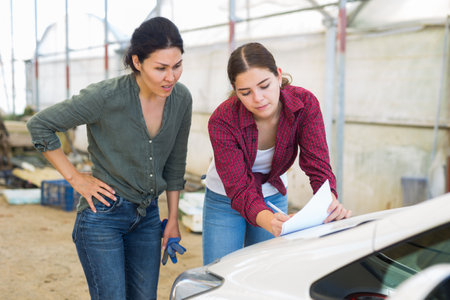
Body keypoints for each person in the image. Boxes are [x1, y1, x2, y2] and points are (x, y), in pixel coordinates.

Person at [27, 17, 192, 300]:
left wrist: (173, 218)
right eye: (161, 68)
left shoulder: (181, 99)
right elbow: (40, 126)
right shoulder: (106, 97)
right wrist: (76, 179)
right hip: (103, 217)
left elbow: (176, 163)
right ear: (137, 62)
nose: (171, 77)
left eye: (177, 66)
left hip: (148, 218)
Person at [202, 42, 351, 265]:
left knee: (267, 268)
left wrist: (328, 203)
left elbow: (318, 165)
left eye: (265, 86)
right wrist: (272, 222)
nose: (258, 98)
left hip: (272, 194)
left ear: (279, 76)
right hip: (225, 197)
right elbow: (240, 189)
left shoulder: (305, 104)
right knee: (220, 269)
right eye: (245, 92)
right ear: (235, 91)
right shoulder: (222, 120)